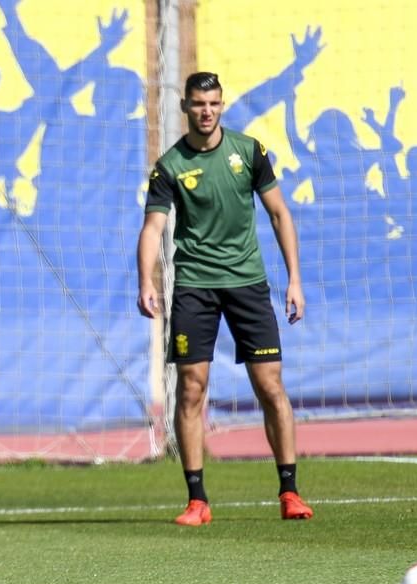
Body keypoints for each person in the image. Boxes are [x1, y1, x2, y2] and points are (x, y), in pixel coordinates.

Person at [136, 72, 313, 526]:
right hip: (194, 286)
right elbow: (153, 227)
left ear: (221, 105)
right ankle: (197, 500)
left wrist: (294, 280)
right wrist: (146, 281)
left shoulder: (249, 152)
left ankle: (290, 492)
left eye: (213, 103)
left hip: (248, 285)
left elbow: (279, 213)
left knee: (270, 386)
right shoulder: (169, 166)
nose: (206, 111)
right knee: (191, 387)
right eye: (199, 104)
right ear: (186, 107)